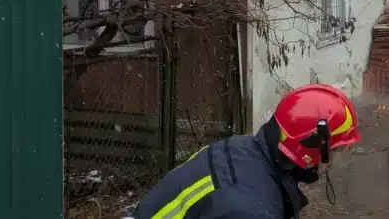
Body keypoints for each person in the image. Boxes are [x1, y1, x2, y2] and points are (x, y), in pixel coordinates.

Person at [126, 83, 361, 219]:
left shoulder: (243, 150)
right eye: (334, 151)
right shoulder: (248, 207)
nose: (332, 162)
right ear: (307, 149)